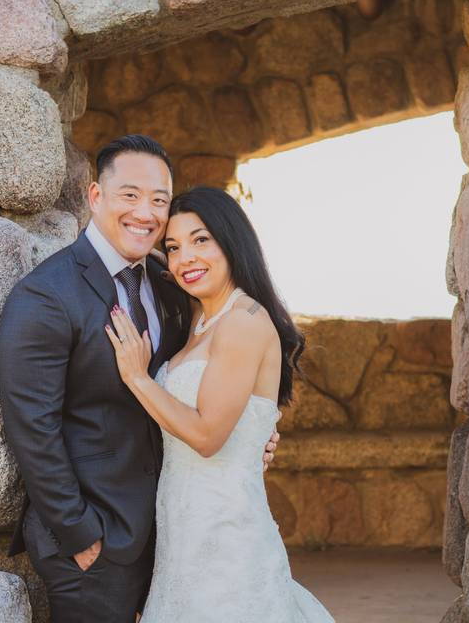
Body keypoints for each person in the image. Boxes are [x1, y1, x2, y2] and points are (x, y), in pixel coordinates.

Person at [0, 135, 280, 623]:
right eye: (130, 195)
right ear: (95, 196)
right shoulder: (46, 295)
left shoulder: (171, 287)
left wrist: (251, 434)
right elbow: (31, 428)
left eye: (159, 201)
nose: (145, 213)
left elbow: (209, 386)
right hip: (96, 538)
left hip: (173, 533)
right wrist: (79, 533)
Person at [106, 186, 335, 622]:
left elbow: (208, 437)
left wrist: (137, 377)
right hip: (182, 533)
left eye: (200, 240)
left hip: (226, 536)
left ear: (232, 241)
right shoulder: (198, 318)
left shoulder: (243, 321)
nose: (184, 257)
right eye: (172, 247)